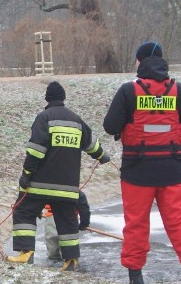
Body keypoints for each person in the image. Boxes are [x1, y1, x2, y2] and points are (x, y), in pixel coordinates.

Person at [103, 41, 181, 284]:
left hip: (136, 170)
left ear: (140, 62)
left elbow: (110, 126)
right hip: (171, 170)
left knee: (136, 223)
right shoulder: (179, 91)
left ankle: (136, 278)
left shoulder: (128, 92)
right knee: (180, 221)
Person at [8, 81, 109, 272]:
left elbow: (36, 151)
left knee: (23, 211)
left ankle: (25, 253)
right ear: (63, 98)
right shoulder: (76, 120)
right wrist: (103, 157)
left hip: (40, 184)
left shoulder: (44, 118)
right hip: (68, 187)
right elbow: (91, 145)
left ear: (47, 98)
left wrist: (26, 175)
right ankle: (71, 260)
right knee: (67, 220)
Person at [44, 192, 90, 262]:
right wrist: (84, 224)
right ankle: (70, 260)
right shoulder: (76, 191)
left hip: (52, 215)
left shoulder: (50, 187)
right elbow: (84, 209)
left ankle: (54, 262)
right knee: (69, 240)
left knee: (53, 240)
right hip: (70, 218)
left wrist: (36, 212)